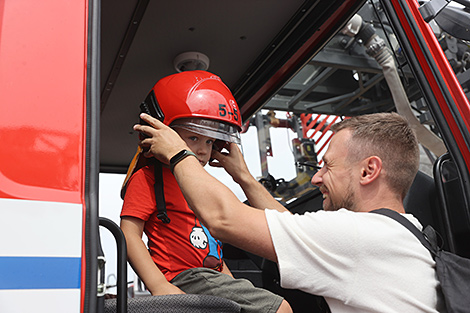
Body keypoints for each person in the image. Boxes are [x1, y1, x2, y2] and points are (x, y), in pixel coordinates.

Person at [134, 111, 446, 312]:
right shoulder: (405, 233)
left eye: (328, 166)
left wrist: (177, 152)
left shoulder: (358, 236)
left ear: (369, 171)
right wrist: (243, 176)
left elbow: (222, 218)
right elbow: (290, 225)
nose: (316, 177)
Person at [120, 70, 292, 313]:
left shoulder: (201, 184)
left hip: (210, 276)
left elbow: (215, 252)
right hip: (187, 277)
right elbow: (128, 235)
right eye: (193, 137)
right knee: (280, 309)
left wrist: (232, 285)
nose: (203, 150)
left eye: (210, 142)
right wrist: (159, 286)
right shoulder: (148, 179)